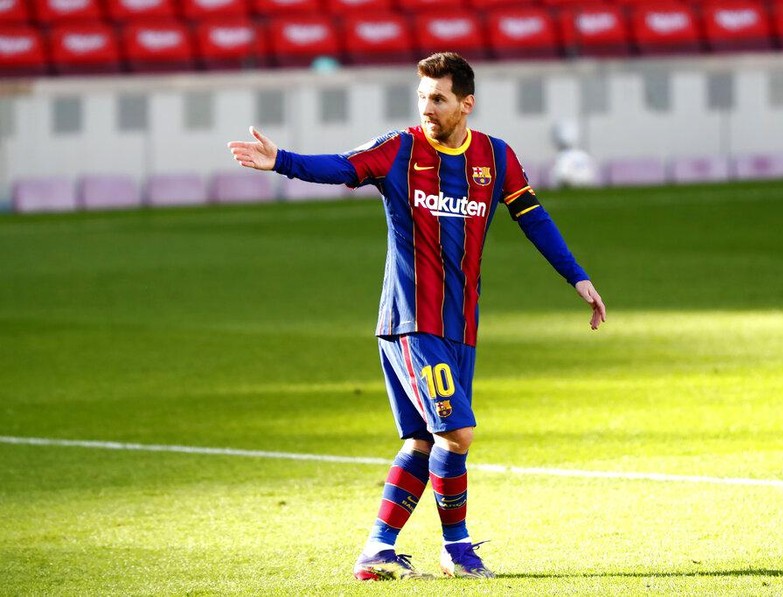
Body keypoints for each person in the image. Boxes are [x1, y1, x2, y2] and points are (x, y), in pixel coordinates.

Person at [228, 52, 606, 581]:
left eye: (438, 98)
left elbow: (533, 217)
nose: (427, 107)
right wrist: (283, 160)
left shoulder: (496, 158)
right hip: (410, 320)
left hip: (460, 324)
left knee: (423, 441)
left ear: (465, 103)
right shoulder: (399, 149)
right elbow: (343, 166)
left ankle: (377, 551)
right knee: (458, 433)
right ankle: (457, 549)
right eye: (422, 97)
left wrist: (576, 276)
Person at [549, 119, 601, 188]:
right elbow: (593, 172)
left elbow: (561, 176)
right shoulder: (584, 155)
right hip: (587, 183)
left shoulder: (562, 157)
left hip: (573, 184)